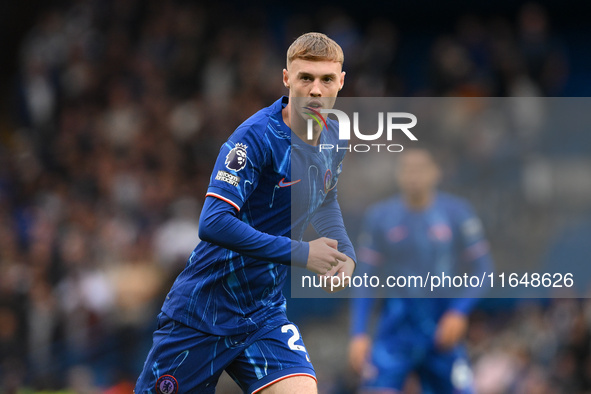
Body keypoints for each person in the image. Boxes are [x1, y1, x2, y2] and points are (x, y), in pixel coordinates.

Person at [135, 32, 356, 394]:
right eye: (306, 78)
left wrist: (344, 252)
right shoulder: (255, 138)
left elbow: (325, 197)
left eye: (326, 79)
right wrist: (303, 253)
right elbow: (213, 222)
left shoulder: (335, 135)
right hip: (203, 313)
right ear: (287, 79)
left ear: (340, 82)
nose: (316, 90)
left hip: (263, 315)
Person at [349, 148, 493, 394]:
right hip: (395, 332)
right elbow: (365, 278)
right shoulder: (380, 217)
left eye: (420, 168)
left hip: (441, 332)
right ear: (398, 174)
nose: (412, 175)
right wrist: (359, 332)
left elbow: (483, 269)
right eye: (406, 168)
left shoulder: (457, 213)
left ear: (435, 172)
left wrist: (459, 312)